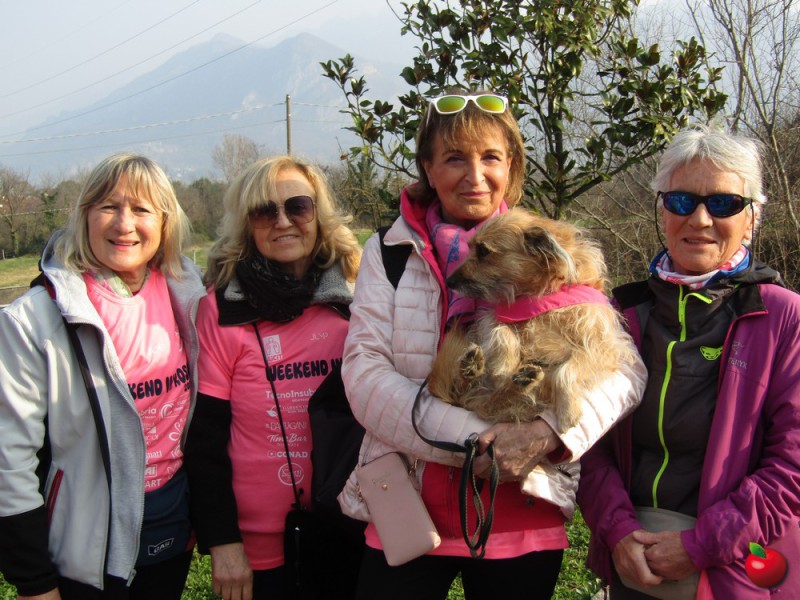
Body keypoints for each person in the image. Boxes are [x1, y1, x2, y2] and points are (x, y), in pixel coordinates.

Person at [337, 89, 648, 600]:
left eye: (491, 157)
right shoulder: (389, 253)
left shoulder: (547, 253)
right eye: (454, 158)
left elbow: (625, 373)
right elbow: (364, 376)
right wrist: (476, 442)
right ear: (427, 168)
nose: (475, 175)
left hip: (523, 509)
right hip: (410, 509)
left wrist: (546, 433)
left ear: (511, 167)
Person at [578, 124, 800, 598]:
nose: (699, 219)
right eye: (681, 201)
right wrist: (617, 531)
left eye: (724, 203)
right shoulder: (620, 315)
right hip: (635, 566)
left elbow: (792, 467)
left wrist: (699, 545)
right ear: (662, 210)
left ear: (752, 218)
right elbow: (589, 441)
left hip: (739, 573)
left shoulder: (784, 318)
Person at [0, 153, 205, 600]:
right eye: (109, 206)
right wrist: (33, 581)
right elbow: (8, 462)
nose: (124, 224)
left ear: (165, 222)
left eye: (142, 209)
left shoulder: (188, 294)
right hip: (88, 553)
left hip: (172, 530)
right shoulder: (33, 321)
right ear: (85, 216)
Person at [183, 155, 364, 600]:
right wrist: (223, 543)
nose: (283, 221)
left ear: (318, 215)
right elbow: (205, 439)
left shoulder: (356, 298)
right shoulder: (220, 310)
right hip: (255, 548)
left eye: (298, 206)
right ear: (247, 225)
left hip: (349, 527)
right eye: (265, 211)